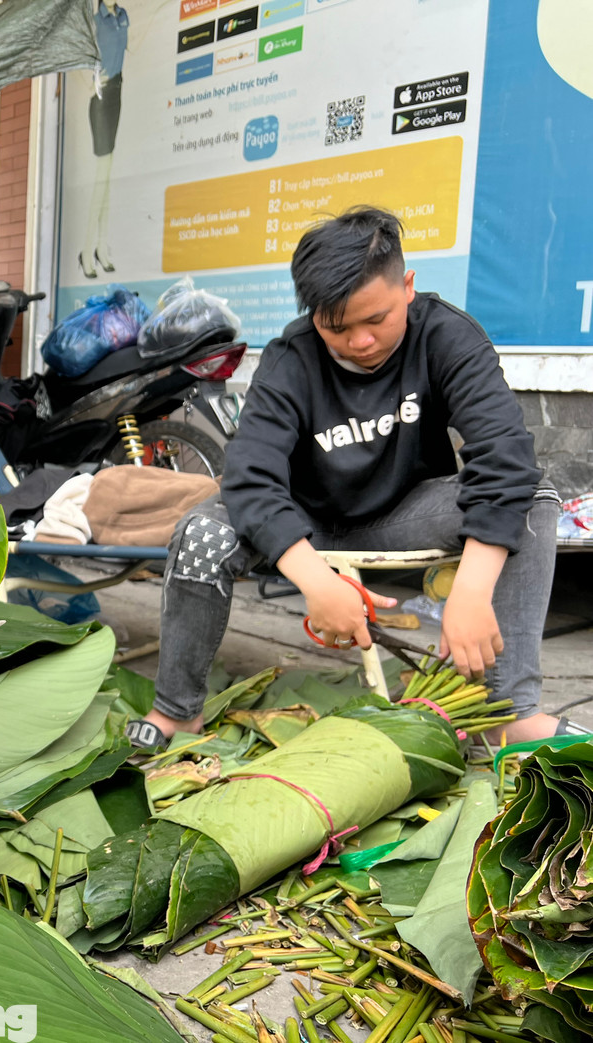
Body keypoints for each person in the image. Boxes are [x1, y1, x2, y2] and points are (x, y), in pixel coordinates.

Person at [126, 206, 571, 749]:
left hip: (398, 514)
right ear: (314, 316)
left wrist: (473, 591)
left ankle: (509, 712)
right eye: (337, 327)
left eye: (376, 320)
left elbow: (504, 458)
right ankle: (177, 711)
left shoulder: (447, 337)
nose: (360, 341)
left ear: (407, 286)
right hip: (302, 521)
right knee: (200, 533)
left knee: (534, 496)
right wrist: (314, 581)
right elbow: (248, 475)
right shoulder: (291, 358)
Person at [79, 0, 129, 280]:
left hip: (117, 92)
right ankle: (88, 250)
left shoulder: (123, 16)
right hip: (100, 96)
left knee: (107, 177)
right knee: (102, 175)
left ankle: (100, 247)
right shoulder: (94, 20)